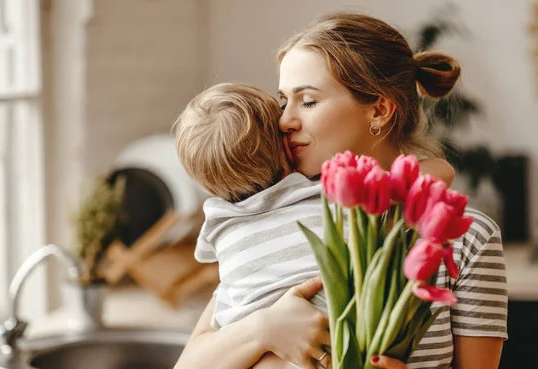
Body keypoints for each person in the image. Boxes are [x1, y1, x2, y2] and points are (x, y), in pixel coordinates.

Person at [175, 11, 507, 369]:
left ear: (379, 110)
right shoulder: (269, 224)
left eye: (309, 101)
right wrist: (262, 328)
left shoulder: (466, 237)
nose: (284, 120)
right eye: (283, 101)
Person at [172, 82, 456, 369]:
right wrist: (378, 181)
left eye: (307, 102)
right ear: (284, 144)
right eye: (283, 107)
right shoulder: (324, 193)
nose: (290, 120)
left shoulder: (219, 224)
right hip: (338, 350)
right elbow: (441, 171)